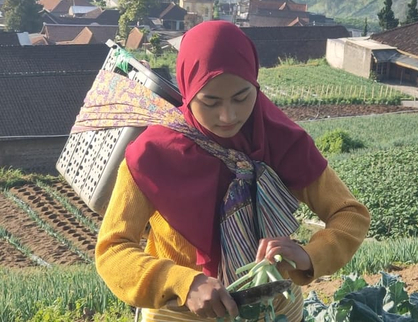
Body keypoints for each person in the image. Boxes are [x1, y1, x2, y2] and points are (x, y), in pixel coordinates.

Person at [94, 21, 371, 322]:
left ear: (255, 84)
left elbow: (350, 214)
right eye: (210, 102)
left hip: (275, 308)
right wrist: (183, 282)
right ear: (187, 92)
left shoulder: (281, 140)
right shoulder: (153, 155)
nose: (228, 116)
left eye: (241, 97)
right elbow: (112, 250)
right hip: (181, 313)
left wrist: (310, 256)